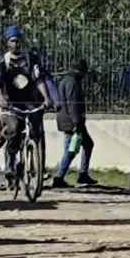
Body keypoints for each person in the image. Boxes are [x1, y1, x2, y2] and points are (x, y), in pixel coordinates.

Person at [0, 25, 51, 190]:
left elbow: (38, 80)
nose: (16, 44)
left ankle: (37, 165)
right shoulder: (2, 62)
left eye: (18, 40)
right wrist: (1, 98)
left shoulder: (31, 59)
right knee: (15, 129)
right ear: (7, 43)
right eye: (12, 41)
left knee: (37, 131)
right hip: (11, 105)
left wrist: (46, 98)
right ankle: (10, 164)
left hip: (31, 103)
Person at [52, 58, 97, 188]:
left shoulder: (66, 80)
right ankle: (59, 177)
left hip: (67, 119)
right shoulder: (72, 82)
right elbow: (73, 103)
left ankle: (82, 174)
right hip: (71, 121)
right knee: (70, 150)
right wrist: (76, 121)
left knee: (86, 144)